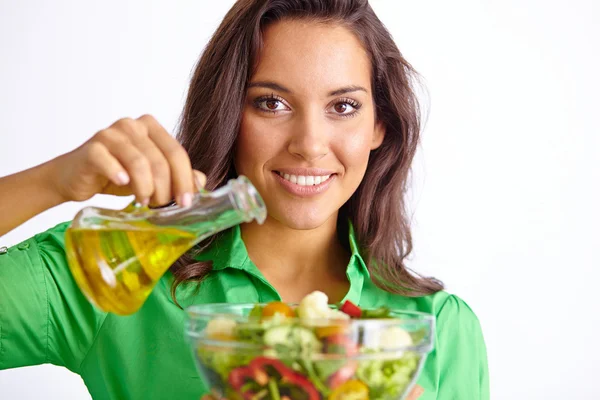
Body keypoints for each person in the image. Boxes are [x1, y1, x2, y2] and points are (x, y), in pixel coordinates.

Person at [0, 0, 489, 399]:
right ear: (229, 113)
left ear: (380, 125)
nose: (310, 144)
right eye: (271, 103)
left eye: (343, 106)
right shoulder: (116, 274)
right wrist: (53, 182)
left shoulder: (436, 328)